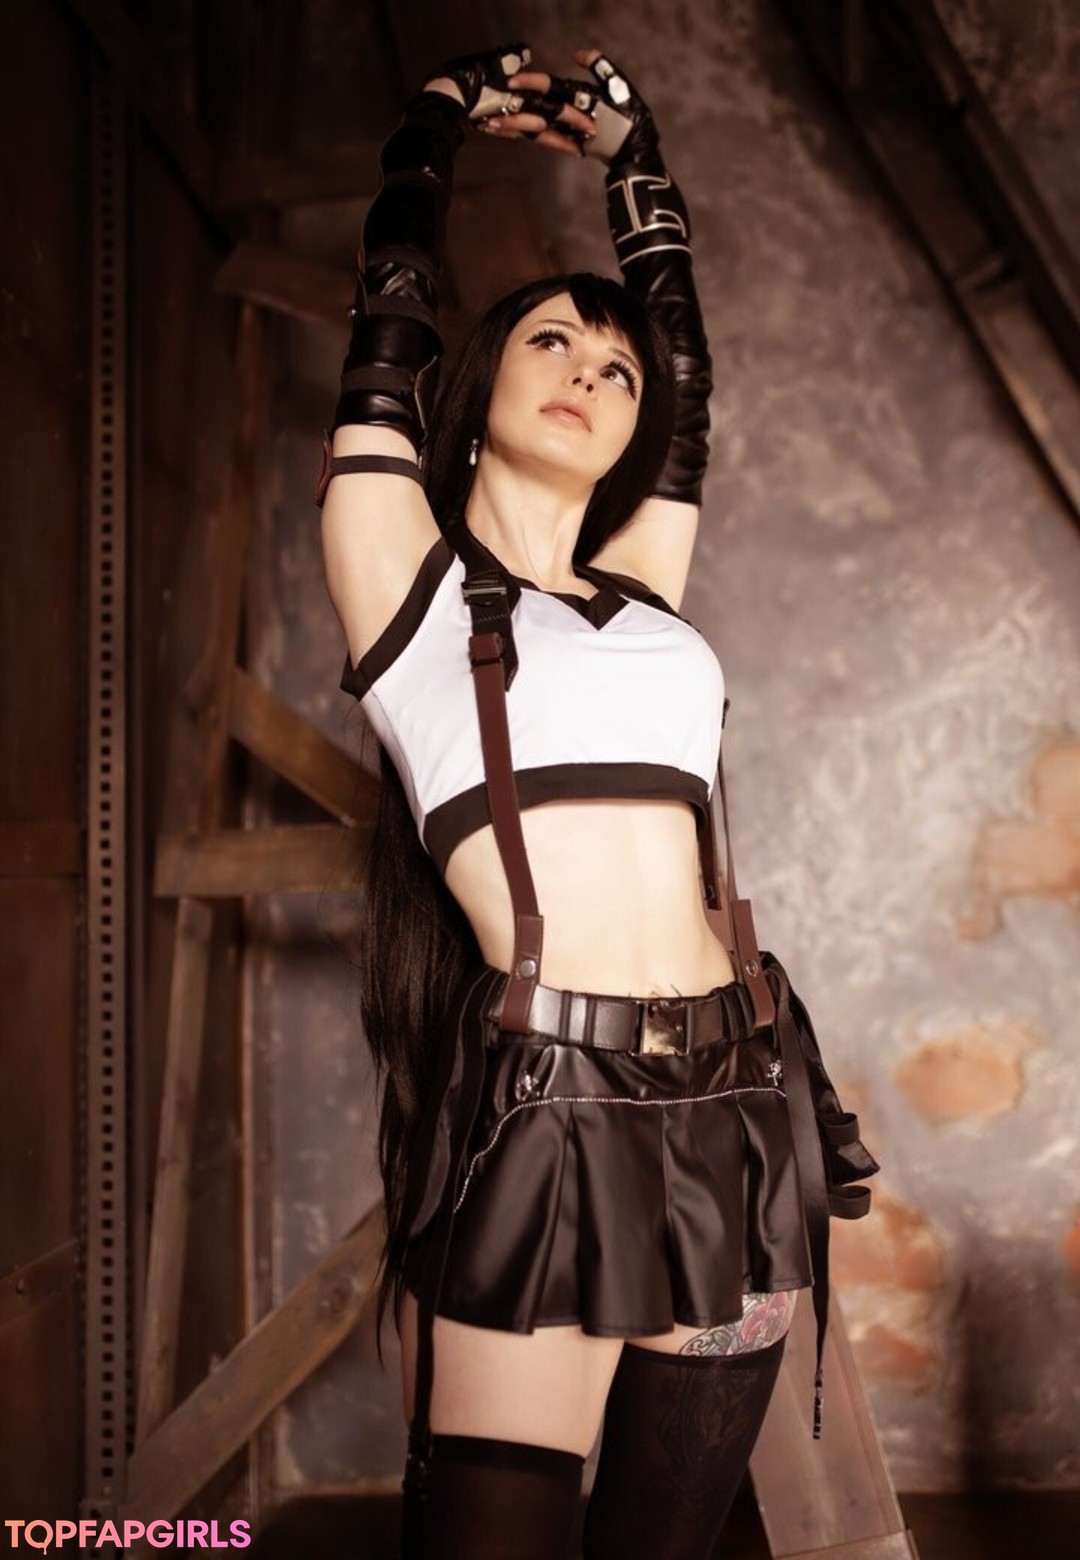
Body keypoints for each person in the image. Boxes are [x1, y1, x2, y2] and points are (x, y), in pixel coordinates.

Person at [319, 42, 826, 1559]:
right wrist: (435, 125)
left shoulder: (646, 598)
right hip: (552, 1109)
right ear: (479, 388)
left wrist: (638, 161)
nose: (593, 377)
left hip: (742, 1103)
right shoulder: (406, 588)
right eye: (554, 344)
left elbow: (690, 384)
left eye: (616, 372)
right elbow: (387, 320)